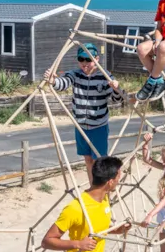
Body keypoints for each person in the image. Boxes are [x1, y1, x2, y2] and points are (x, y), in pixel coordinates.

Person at [44, 43, 123, 185]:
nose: (85, 63)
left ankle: (103, 189)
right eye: (81, 59)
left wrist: (116, 89)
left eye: (88, 59)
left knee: (100, 161)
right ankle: (93, 186)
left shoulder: (104, 76)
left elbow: (117, 99)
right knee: (87, 159)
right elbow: (63, 83)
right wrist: (53, 80)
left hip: (98, 126)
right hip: (80, 126)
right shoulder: (75, 74)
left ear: (97, 59)